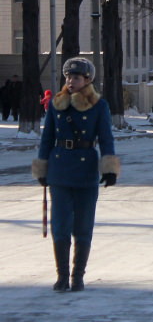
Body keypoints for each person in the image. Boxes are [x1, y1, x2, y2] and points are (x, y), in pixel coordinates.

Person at [32, 57, 120, 292]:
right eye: (68, 77)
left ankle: (77, 276)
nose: (71, 81)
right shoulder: (56, 103)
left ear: (87, 80)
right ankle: (61, 276)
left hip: (85, 171)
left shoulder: (99, 106)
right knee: (60, 224)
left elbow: (106, 138)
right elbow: (47, 138)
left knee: (83, 225)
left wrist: (109, 167)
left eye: (76, 77)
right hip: (59, 170)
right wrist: (42, 167)